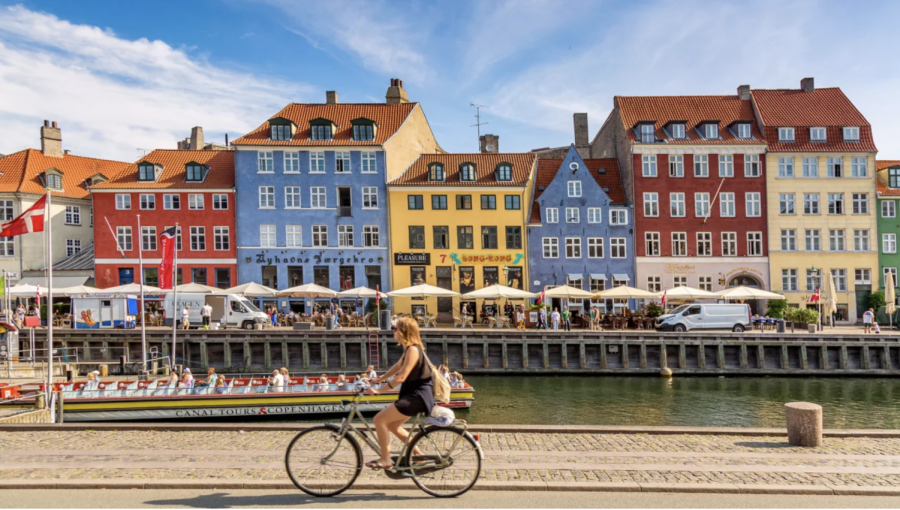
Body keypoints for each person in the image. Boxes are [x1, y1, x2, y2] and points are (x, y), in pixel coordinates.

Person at [364, 317, 433, 470]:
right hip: (414, 396)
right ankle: (419, 456)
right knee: (393, 426)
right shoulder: (410, 349)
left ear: (403, 331)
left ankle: (385, 458)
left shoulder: (414, 350)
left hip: (417, 397)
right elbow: (397, 366)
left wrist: (378, 392)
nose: (393, 331)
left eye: (395, 328)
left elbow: (401, 377)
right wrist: (379, 379)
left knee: (379, 420)